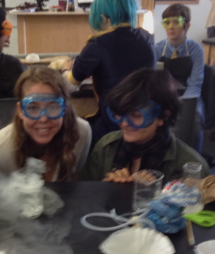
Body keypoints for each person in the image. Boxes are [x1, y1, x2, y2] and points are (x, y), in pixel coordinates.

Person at [81, 69, 209, 182]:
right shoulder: (105, 148)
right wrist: (107, 188)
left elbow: (195, 208)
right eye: (120, 113)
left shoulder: (192, 167)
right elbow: (85, 198)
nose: (124, 123)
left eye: (136, 115)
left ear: (164, 116)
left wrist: (157, 196)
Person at [65, 0, 156, 147]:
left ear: (103, 18)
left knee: (78, 133)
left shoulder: (98, 44)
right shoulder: (147, 38)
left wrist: (64, 68)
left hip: (115, 121)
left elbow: (71, 81)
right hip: (146, 120)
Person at [0, 67, 91, 181]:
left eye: (53, 107)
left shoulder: (82, 133)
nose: (43, 119)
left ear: (65, 108)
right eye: (33, 107)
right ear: (20, 110)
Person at [154, 3, 205, 149]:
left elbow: (195, 84)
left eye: (176, 22)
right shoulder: (157, 49)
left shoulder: (196, 50)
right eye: (167, 22)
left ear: (187, 26)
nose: (170, 26)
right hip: (164, 96)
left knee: (193, 123)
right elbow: (153, 81)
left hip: (190, 97)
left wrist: (181, 105)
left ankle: (194, 163)